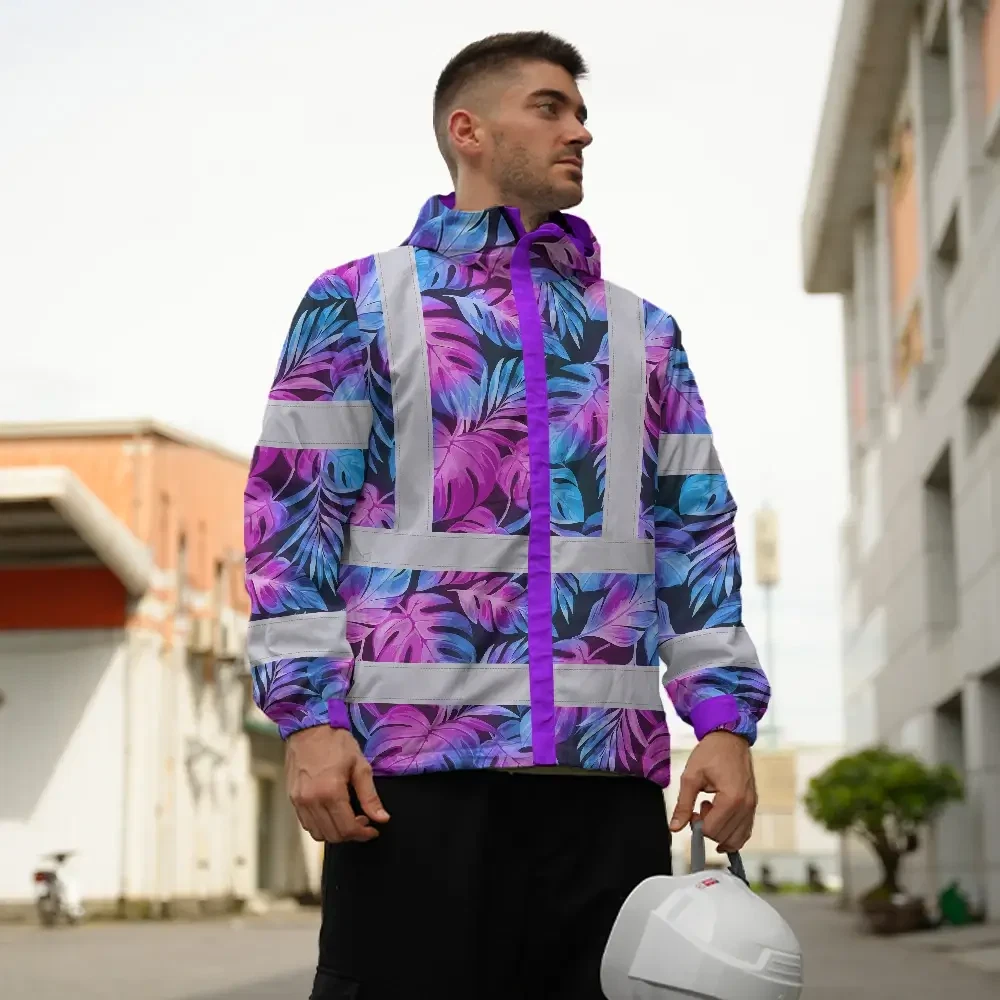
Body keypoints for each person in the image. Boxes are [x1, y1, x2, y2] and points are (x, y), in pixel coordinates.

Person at [244, 30, 770, 1000]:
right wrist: (308, 720)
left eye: (582, 112)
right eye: (550, 107)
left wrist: (724, 722)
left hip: (605, 789)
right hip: (412, 783)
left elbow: (696, 535)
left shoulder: (644, 333)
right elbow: (291, 520)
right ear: (469, 130)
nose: (581, 131)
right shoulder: (357, 302)